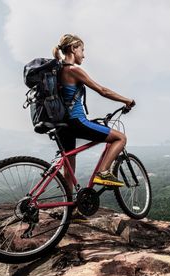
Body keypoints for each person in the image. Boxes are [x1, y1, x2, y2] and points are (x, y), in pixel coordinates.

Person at [52, 34, 135, 191]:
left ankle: (71, 209)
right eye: (82, 50)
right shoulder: (73, 70)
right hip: (76, 121)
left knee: (69, 165)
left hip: (62, 125)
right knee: (120, 138)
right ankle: (103, 173)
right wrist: (126, 100)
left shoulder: (58, 71)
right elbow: (102, 90)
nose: (84, 54)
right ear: (73, 48)